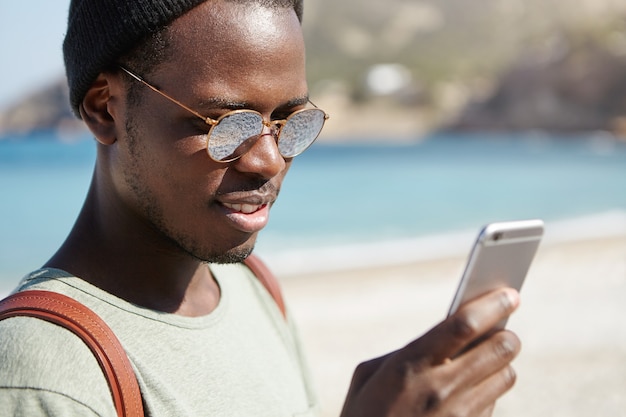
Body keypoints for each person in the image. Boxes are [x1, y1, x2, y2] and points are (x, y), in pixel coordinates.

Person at [0, 0, 521, 416]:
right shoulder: (44, 372)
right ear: (104, 109)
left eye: (290, 120)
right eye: (227, 124)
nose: (269, 161)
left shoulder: (254, 288)